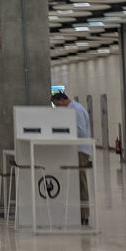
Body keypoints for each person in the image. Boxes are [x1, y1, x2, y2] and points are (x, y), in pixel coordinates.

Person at [52, 91, 93, 225]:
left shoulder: (76, 110)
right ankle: (77, 213)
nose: (58, 108)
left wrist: (65, 131)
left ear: (63, 101)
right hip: (75, 150)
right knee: (76, 182)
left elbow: (81, 131)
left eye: (57, 105)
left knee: (81, 182)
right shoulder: (72, 110)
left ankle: (84, 214)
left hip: (80, 150)